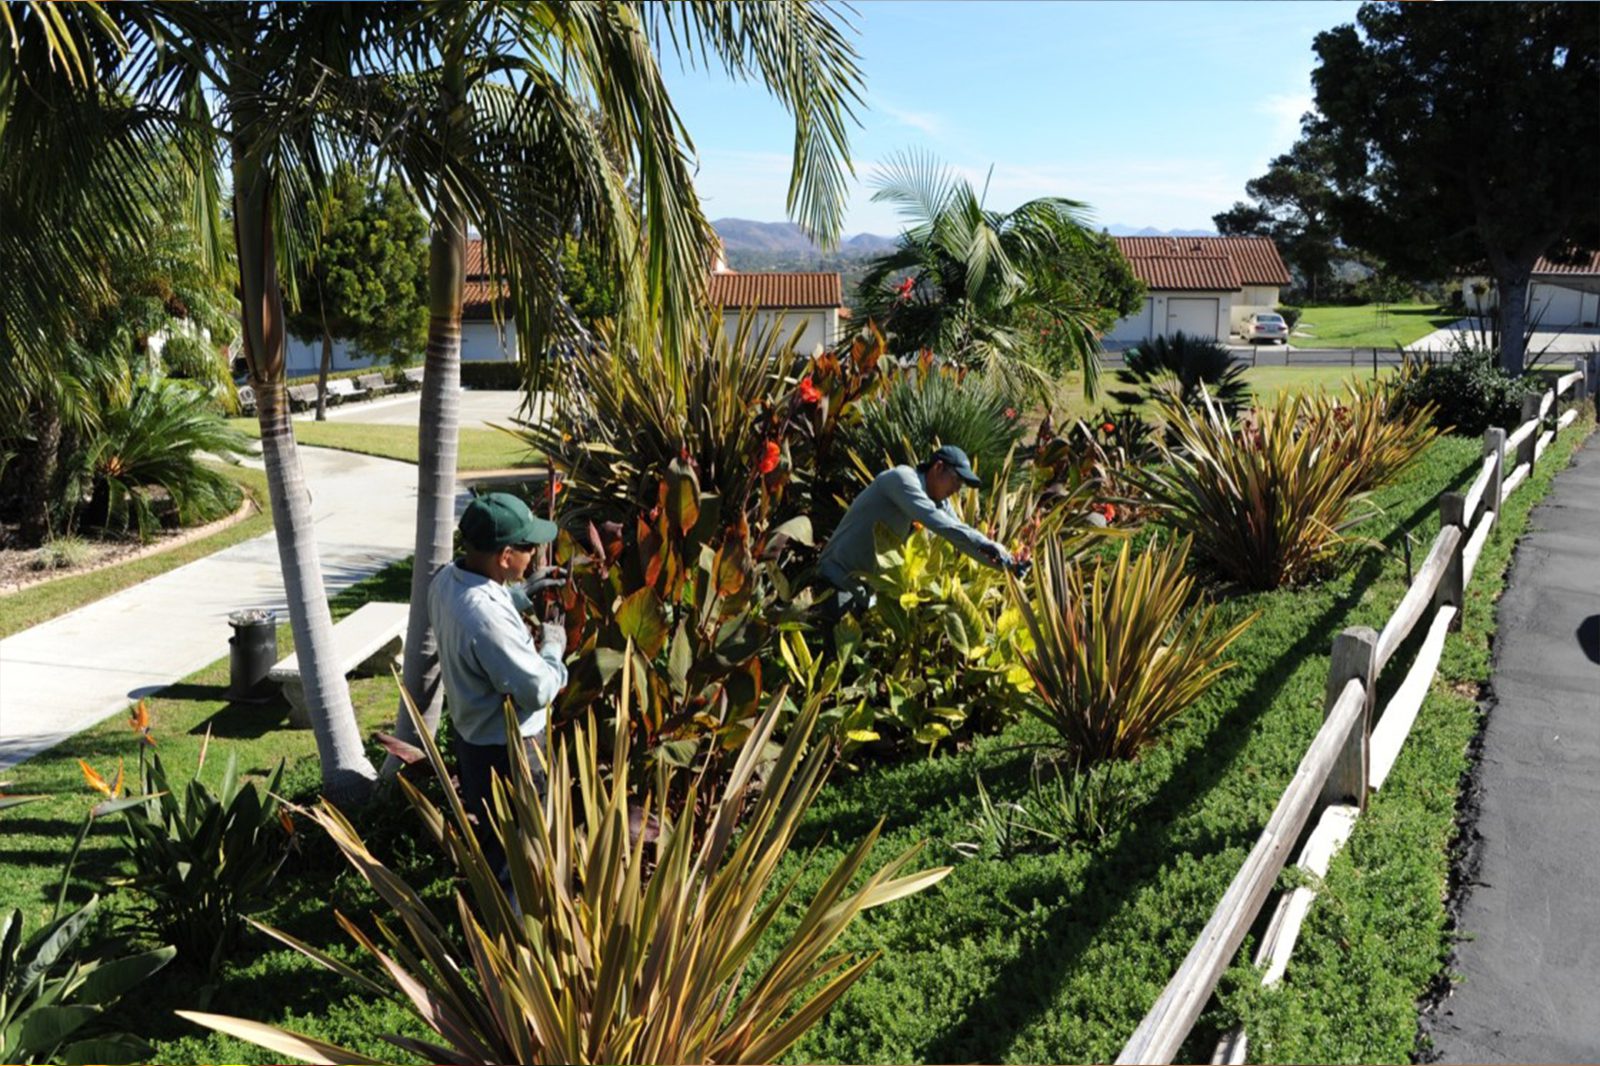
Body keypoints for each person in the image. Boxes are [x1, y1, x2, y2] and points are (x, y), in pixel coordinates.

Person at [428, 491, 568, 877]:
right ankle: (519, 916)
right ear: (506, 556)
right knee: (523, 858)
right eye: (528, 547)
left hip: (473, 745)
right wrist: (553, 649)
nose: (534, 553)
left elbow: (480, 603)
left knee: (497, 843)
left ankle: (498, 909)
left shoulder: (445, 580)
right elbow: (537, 690)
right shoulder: (487, 619)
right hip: (512, 755)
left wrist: (519, 593)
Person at [814, 444, 1027, 624]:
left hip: (864, 593)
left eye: (961, 485)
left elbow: (960, 536)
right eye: (956, 480)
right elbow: (941, 524)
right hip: (837, 579)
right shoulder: (903, 480)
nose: (957, 489)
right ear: (938, 467)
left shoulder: (938, 501)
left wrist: (1006, 565)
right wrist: (987, 543)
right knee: (835, 654)